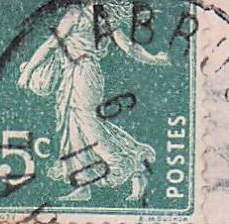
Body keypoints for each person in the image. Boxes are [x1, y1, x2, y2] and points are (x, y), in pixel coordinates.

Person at [16, 1, 170, 203]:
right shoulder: (105, 17)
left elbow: (51, 44)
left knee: (87, 127)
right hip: (82, 74)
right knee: (77, 128)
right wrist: (155, 59)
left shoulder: (76, 13)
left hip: (81, 75)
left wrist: (27, 72)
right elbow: (130, 47)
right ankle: (85, 185)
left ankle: (130, 165)